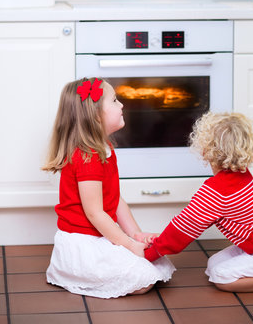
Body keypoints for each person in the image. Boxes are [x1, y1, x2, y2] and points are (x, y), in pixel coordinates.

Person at [144, 112, 253, 292]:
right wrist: (160, 240)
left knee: (221, 277)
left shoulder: (217, 191)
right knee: (213, 264)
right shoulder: (241, 173)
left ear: (205, 151)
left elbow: (182, 230)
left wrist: (149, 253)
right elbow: (184, 225)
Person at [42, 77, 175, 298]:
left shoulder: (104, 148)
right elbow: (94, 212)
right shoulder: (88, 157)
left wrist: (135, 235)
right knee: (142, 279)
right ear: (95, 116)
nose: (121, 104)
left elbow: (115, 200)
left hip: (99, 235)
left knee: (155, 264)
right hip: (82, 243)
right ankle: (70, 272)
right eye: (114, 101)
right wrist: (128, 245)